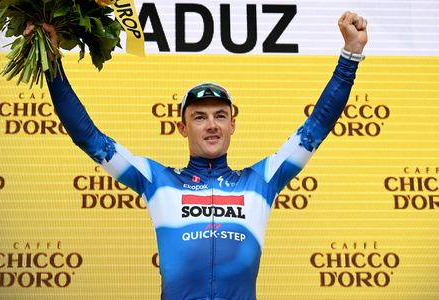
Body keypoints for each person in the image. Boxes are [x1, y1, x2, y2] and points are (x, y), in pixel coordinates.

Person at [27, 11, 367, 300]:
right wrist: (51, 61)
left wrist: (350, 55)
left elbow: (317, 125)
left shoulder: (262, 179)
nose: (211, 125)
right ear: (182, 127)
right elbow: (88, 137)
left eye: (220, 115)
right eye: (199, 117)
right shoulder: (156, 180)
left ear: (233, 125)